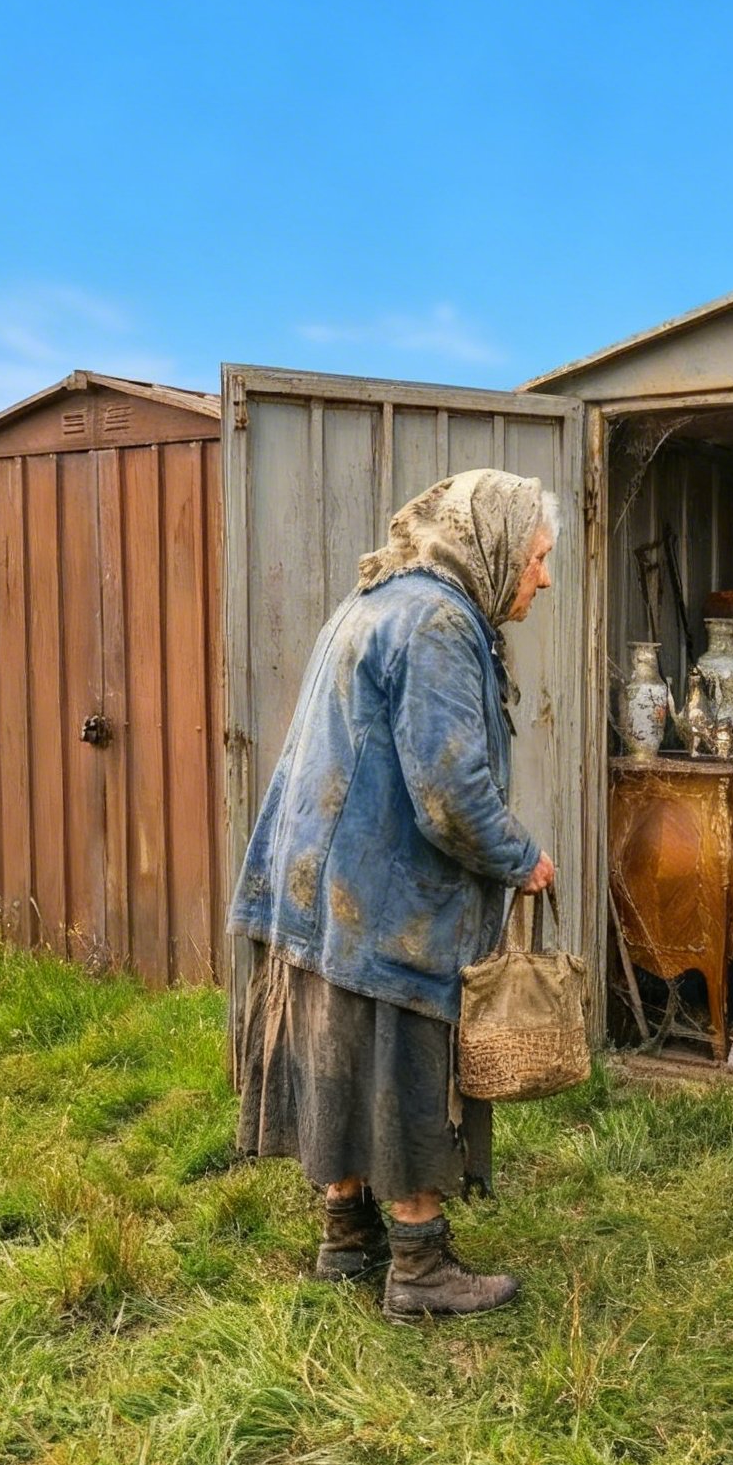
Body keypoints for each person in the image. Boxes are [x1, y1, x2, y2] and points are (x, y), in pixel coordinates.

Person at [229, 468, 558, 1323]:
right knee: (400, 1052)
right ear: (494, 548)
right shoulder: (440, 623)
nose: (543, 579)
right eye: (536, 558)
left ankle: (346, 1237)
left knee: (340, 1044)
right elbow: (451, 795)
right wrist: (522, 858)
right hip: (380, 895)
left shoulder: (377, 598)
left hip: (320, 885)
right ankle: (418, 1268)